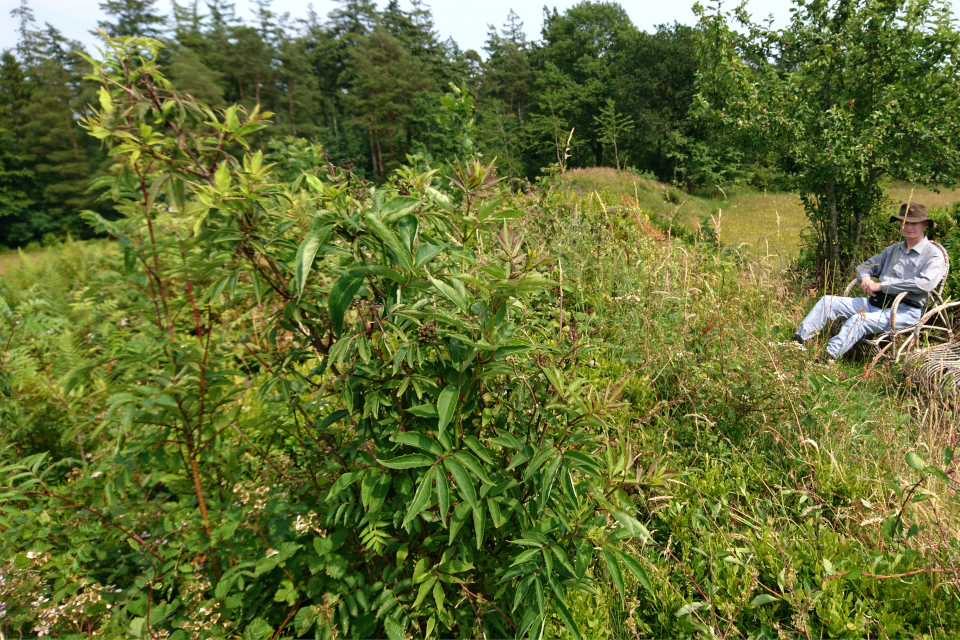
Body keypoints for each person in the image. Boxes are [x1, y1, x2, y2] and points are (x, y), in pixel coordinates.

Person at [794, 202, 946, 360]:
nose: (908, 226)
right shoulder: (893, 249)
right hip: (875, 303)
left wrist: (881, 286)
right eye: (905, 222)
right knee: (828, 301)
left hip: (904, 311)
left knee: (858, 320)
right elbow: (864, 266)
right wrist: (865, 278)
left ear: (924, 225)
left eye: (914, 223)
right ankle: (798, 341)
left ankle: (827, 357)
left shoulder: (933, 255)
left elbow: (925, 283)